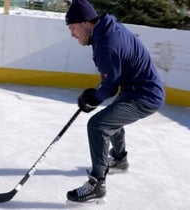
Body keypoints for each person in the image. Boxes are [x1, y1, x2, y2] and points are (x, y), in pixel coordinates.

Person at [64, 0, 165, 203]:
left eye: (73, 28)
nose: (72, 34)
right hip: (134, 88)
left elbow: (109, 88)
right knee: (110, 119)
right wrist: (94, 97)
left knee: (98, 125)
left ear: (85, 23)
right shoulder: (107, 28)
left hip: (144, 96)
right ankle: (119, 160)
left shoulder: (106, 44)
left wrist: (91, 99)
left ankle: (97, 184)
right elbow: (113, 78)